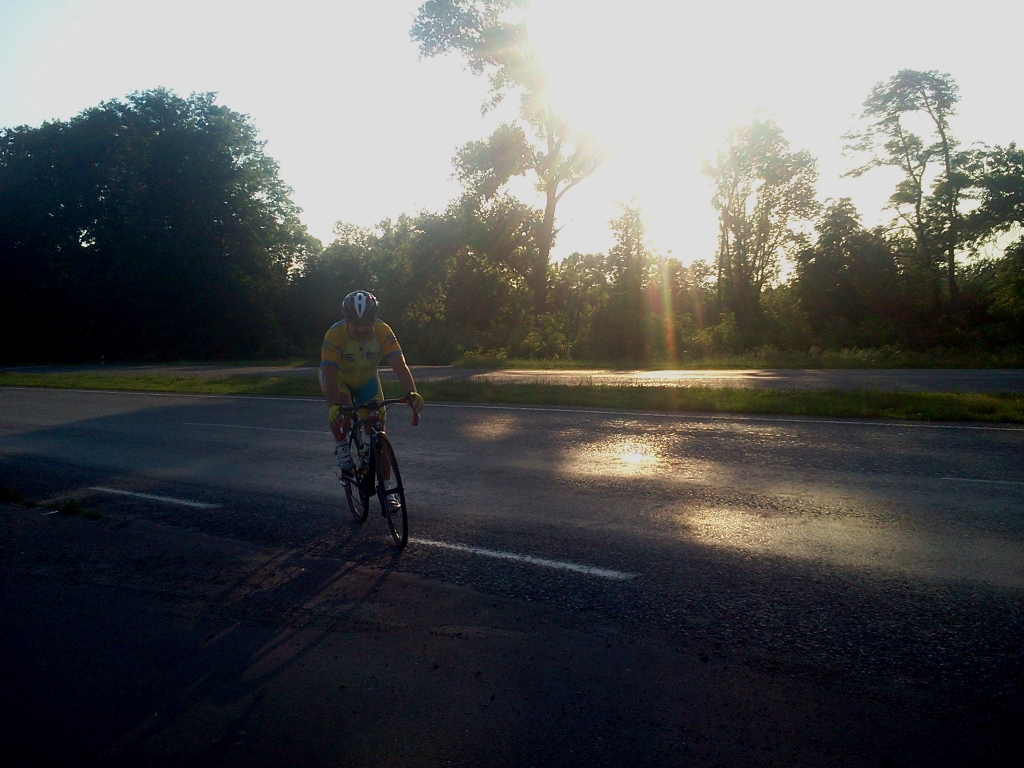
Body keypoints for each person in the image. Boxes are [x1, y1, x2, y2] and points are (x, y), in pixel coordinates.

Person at [319, 290, 424, 477]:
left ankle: (387, 486)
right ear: (347, 320)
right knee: (343, 412)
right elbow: (329, 373)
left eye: (366, 324)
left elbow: (400, 366)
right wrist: (333, 406)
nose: (361, 330)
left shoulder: (384, 331)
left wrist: (411, 393)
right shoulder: (335, 334)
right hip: (339, 380)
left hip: (367, 380)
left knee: (379, 434)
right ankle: (342, 448)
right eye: (356, 324)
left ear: (374, 320)